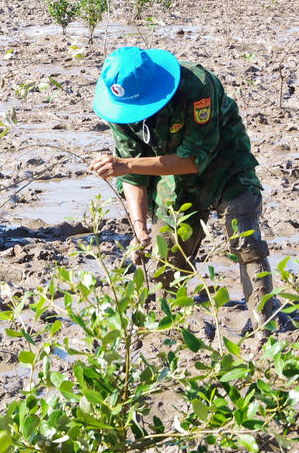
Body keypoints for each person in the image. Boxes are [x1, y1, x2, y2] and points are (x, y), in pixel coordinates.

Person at [88, 46, 283, 330]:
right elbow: (132, 175)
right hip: (171, 175)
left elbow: (191, 160)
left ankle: (266, 322)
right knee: (166, 255)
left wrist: (127, 165)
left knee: (246, 241)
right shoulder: (121, 107)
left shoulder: (197, 86)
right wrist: (140, 225)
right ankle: (160, 324)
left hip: (225, 163)